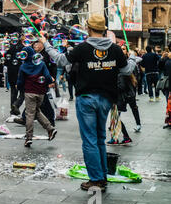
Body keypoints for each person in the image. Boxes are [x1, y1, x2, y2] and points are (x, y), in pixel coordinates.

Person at [40, 14, 139, 192]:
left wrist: (46, 44)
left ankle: (96, 180)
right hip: (106, 99)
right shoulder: (115, 49)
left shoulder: (83, 48)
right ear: (104, 30)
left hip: (86, 98)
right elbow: (127, 70)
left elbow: (61, 60)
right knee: (100, 138)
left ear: (89, 28)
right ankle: (101, 175)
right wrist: (131, 57)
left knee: (89, 140)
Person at [17, 46, 57, 148]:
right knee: (36, 111)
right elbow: (48, 78)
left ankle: (29, 138)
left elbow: (20, 81)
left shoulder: (24, 66)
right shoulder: (41, 64)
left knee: (30, 114)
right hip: (41, 93)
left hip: (30, 92)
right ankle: (50, 129)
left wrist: (19, 87)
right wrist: (49, 83)